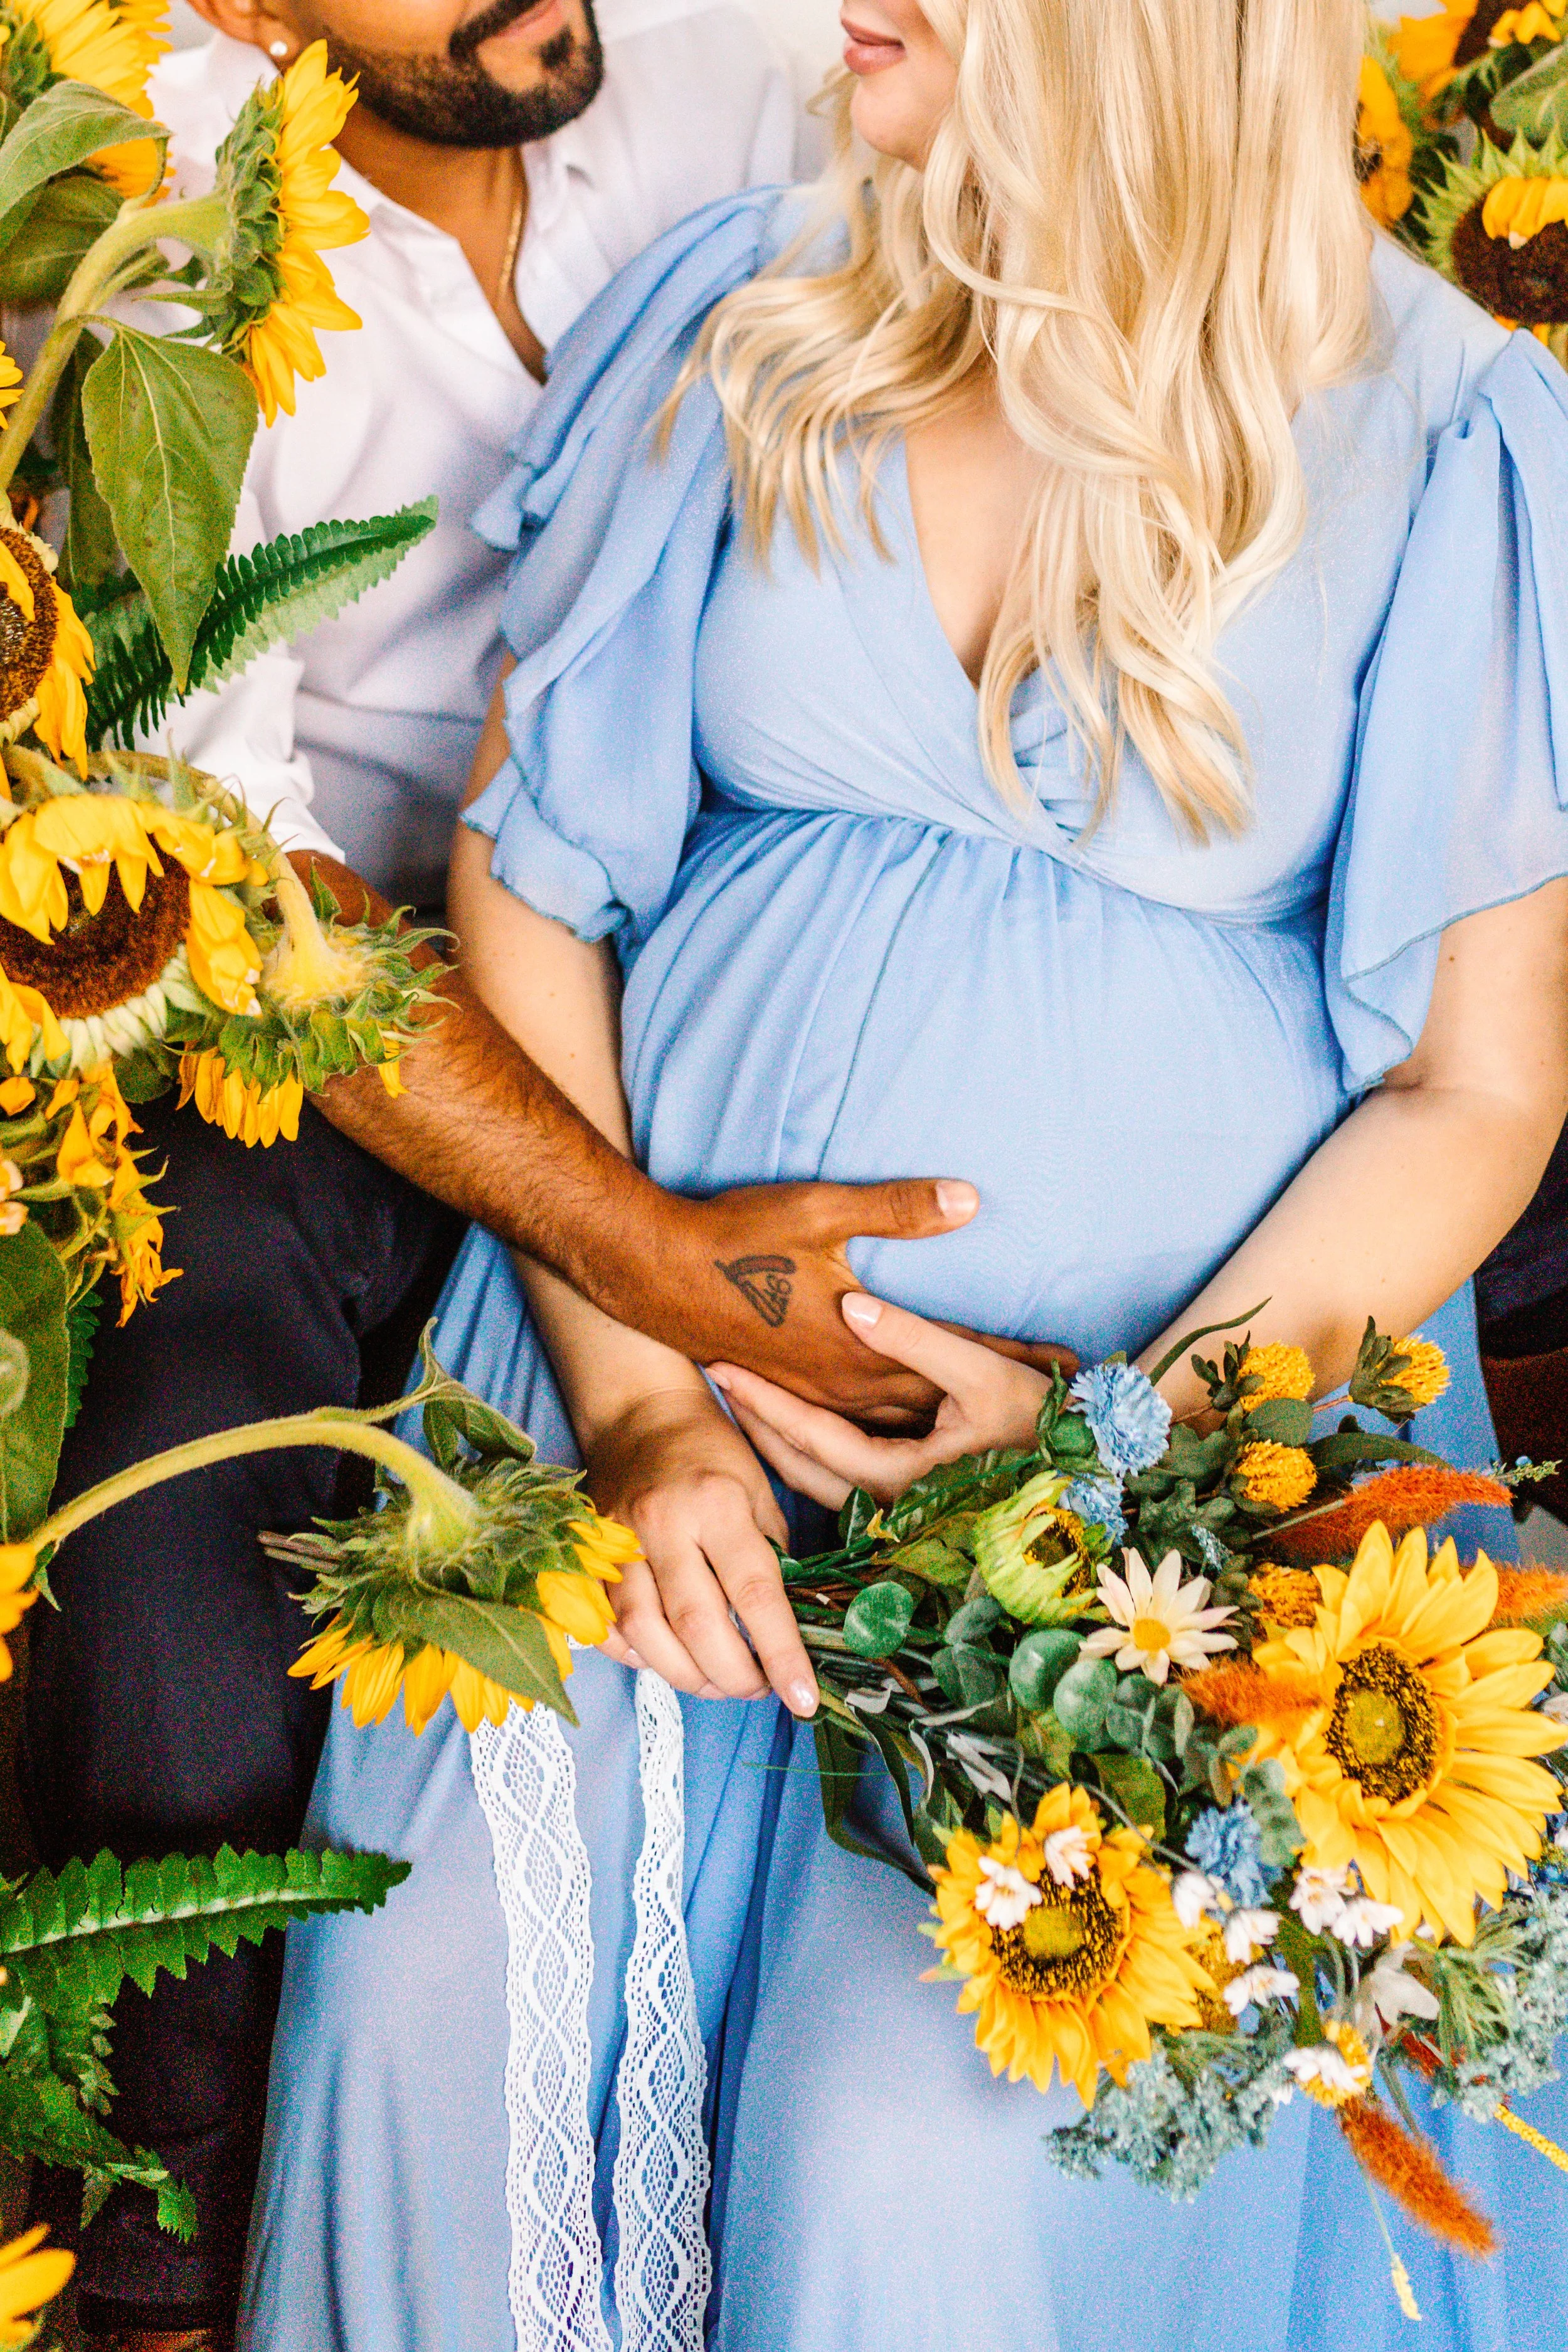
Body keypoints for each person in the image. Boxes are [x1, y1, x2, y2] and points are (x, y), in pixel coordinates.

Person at [245, 0, 1568, 2346]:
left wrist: (1116, 1454)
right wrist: (647, 1396)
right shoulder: (759, 308)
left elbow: (1480, 1090)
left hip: (1156, 1511)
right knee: (438, 2030)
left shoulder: (1441, 422)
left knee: (912, 2175)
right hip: (629, 1391)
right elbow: (529, 884)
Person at [21, 6, 1058, 2346]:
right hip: (327, 1020)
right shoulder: (136, 244)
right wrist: (648, 1267)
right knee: (174, 1563)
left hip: (762, 910)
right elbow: (238, 890)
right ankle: (148, 2244)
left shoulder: (711, 58)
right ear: (242, 15)